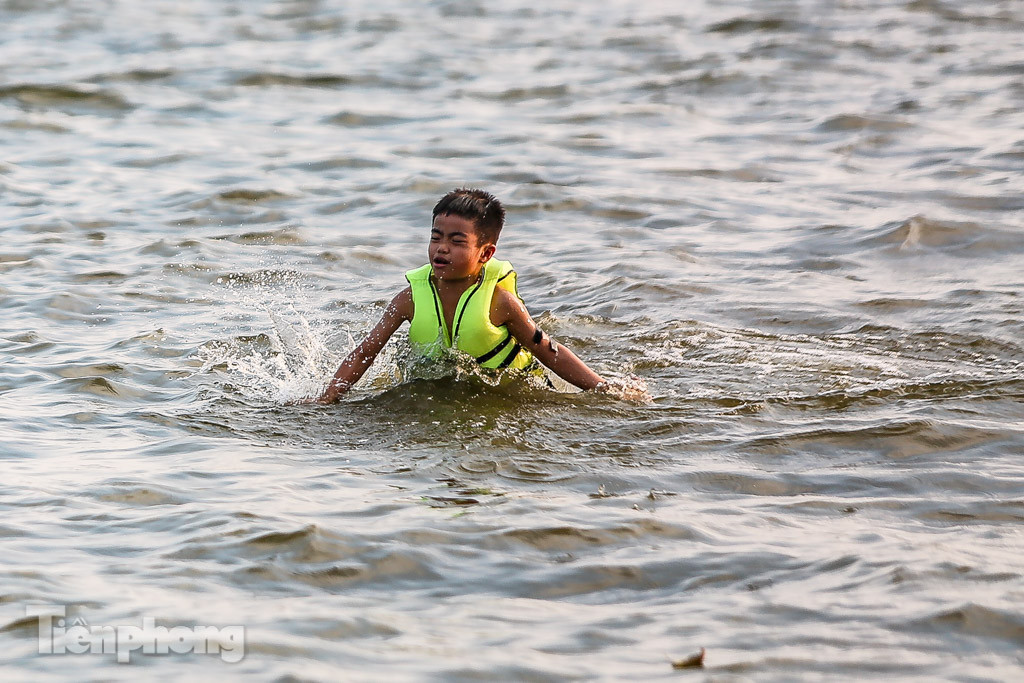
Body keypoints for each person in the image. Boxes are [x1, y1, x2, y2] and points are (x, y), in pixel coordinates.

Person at [316, 188, 609, 403]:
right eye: (435, 237)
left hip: (509, 392)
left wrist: (603, 388)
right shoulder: (409, 299)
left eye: (457, 242)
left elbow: (548, 350)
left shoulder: (500, 303)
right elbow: (366, 351)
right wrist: (328, 398)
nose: (442, 248)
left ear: (486, 253)